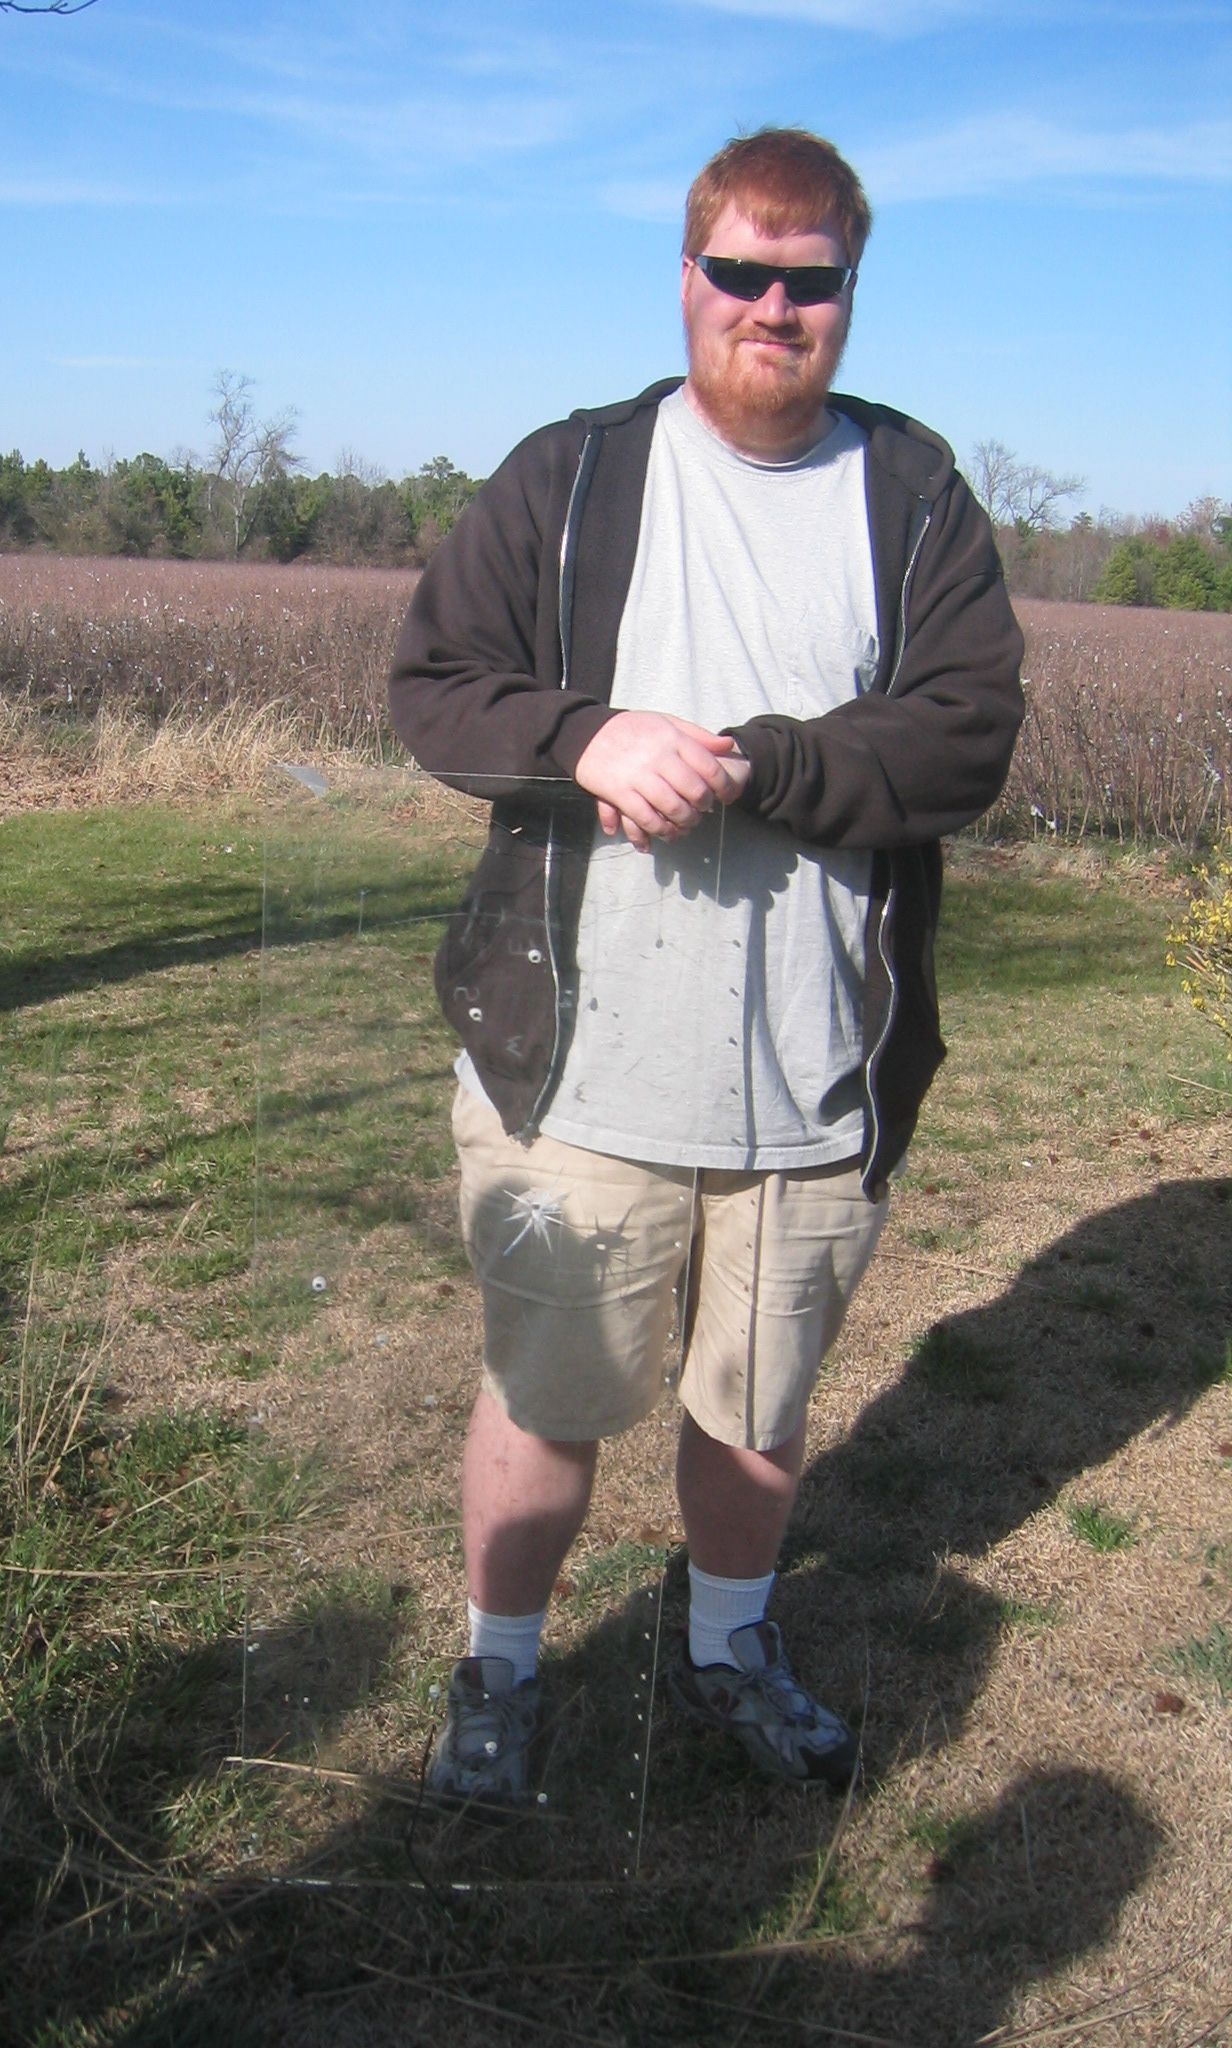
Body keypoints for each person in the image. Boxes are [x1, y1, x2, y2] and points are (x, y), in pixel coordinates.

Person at [388, 128, 1024, 1806]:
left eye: (810, 282)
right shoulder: (573, 474)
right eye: (739, 271)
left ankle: (730, 1649)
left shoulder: (913, 494)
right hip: (577, 1069)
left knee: (754, 1409)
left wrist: (765, 763)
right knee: (547, 1399)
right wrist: (585, 736)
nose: (772, 308)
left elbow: (968, 736)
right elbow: (437, 685)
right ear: (686, 276)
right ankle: (500, 1671)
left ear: (849, 295)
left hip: (813, 1074)